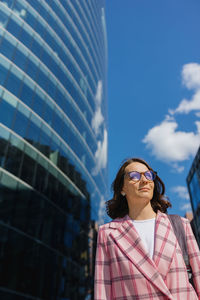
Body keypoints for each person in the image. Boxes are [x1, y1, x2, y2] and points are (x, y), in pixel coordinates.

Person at [94, 157, 200, 299]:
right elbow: (102, 292)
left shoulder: (181, 225)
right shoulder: (108, 233)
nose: (144, 180)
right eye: (134, 176)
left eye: (148, 175)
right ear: (122, 188)